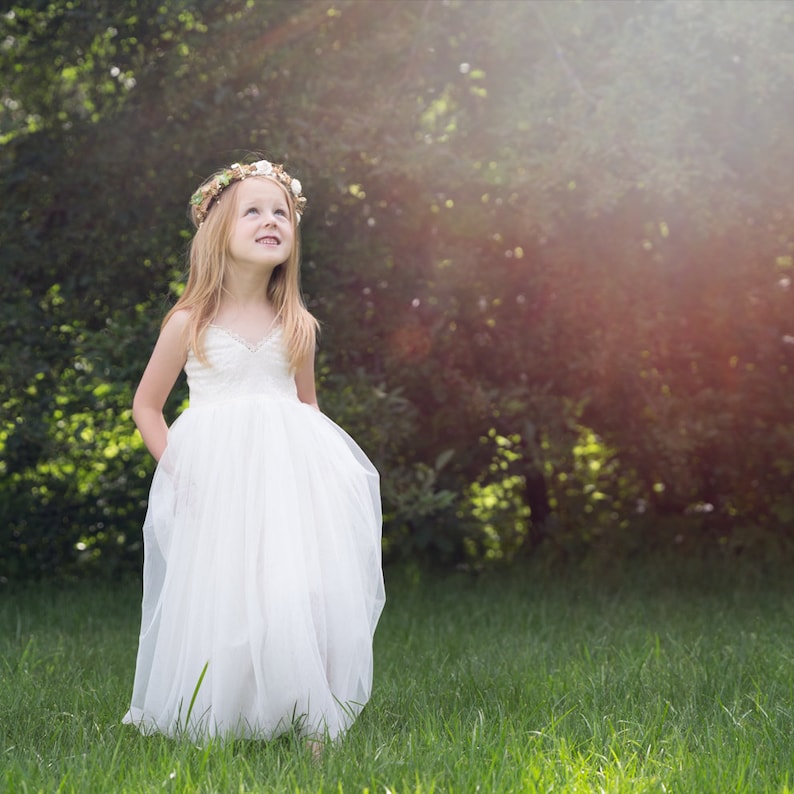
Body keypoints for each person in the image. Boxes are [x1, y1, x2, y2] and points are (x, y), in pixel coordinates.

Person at [122, 158, 385, 748]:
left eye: (282, 212)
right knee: (228, 591)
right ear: (219, 229)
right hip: (217, 477)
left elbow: (306, 405)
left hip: (290, 474)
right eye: (254, 210)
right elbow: (147, 405)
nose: (272, 220)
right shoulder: (189, 322)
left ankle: (314, 718)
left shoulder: (297, 325)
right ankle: (227, 711)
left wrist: (330, 475)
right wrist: (180, 472)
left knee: (300, 586)